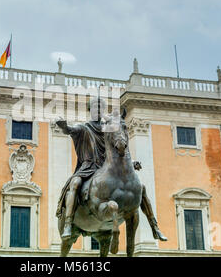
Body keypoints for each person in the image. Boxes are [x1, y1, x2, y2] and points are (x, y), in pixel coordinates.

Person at [56, 97, 167, 241]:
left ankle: (154, 226)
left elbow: (115, 152)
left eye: (101, 108)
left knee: (141, 188)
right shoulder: (84, 128)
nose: (98, 110)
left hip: (108, 168)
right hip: (88, 168)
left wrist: (131, 162)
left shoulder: (108, 130)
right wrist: (64, 126)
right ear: (90, 110)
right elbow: (71, 130)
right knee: (75, 183)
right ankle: (68, 224)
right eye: (95, 108)